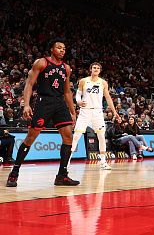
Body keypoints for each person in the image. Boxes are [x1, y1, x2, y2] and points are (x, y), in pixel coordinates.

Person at [6, 38, 79, 187]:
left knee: (68, 137)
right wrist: (26, 105)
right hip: (43, 102)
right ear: (52, 49)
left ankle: (62, 175)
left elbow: (67, 91)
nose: (62, 50)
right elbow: (30, 84)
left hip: (59, 103)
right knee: (31, 137)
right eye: (59, 47)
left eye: (64, 48)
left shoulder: (66, 68)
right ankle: (14, 172)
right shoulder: (41, 62)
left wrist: (72, 111)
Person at [71, 62, 121, 170]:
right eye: (94, 67)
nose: (96, 69)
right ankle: (68, 160)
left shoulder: (103, 82)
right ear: (90, 69)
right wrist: (79, 102)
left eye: (98, 68)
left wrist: (114, 112)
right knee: (76, 136)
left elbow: (108, 98)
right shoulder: (83, 81)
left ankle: (103, 161)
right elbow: (78, 95)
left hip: (98, 112)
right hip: (85, 111)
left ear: (100, 70)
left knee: (101, 137)